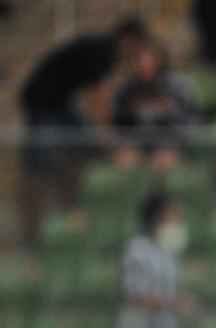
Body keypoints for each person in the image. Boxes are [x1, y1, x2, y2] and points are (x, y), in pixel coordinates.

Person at [18, 17, 149, 245]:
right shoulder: (105, 49)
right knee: (40, 163)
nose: (135, 54)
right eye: (137, 46)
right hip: (43, 104)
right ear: (129, 39)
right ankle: (37, 225)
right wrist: (109, 138)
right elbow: (98, 99)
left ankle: (76, 203)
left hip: (60, 105)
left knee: (84, 143)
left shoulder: (102, 48)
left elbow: (95, 98)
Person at [112, 192, 196, 328]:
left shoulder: (169, 252)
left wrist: (183, 302)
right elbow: (134, 297)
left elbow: (171, 291)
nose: (178, 222)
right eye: (173, 217)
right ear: (157, 219)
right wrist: (175, 303)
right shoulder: (137, 249)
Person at [112, 40, 198, 173]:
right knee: (125, 162)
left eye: (148, 60)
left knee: (163, 165)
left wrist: (168, 110)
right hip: (137, 143)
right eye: (139, 60)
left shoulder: (177, 86)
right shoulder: (127, 89)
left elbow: (191, 120)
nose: (143, 65)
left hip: (170, 143)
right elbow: (119, 124)